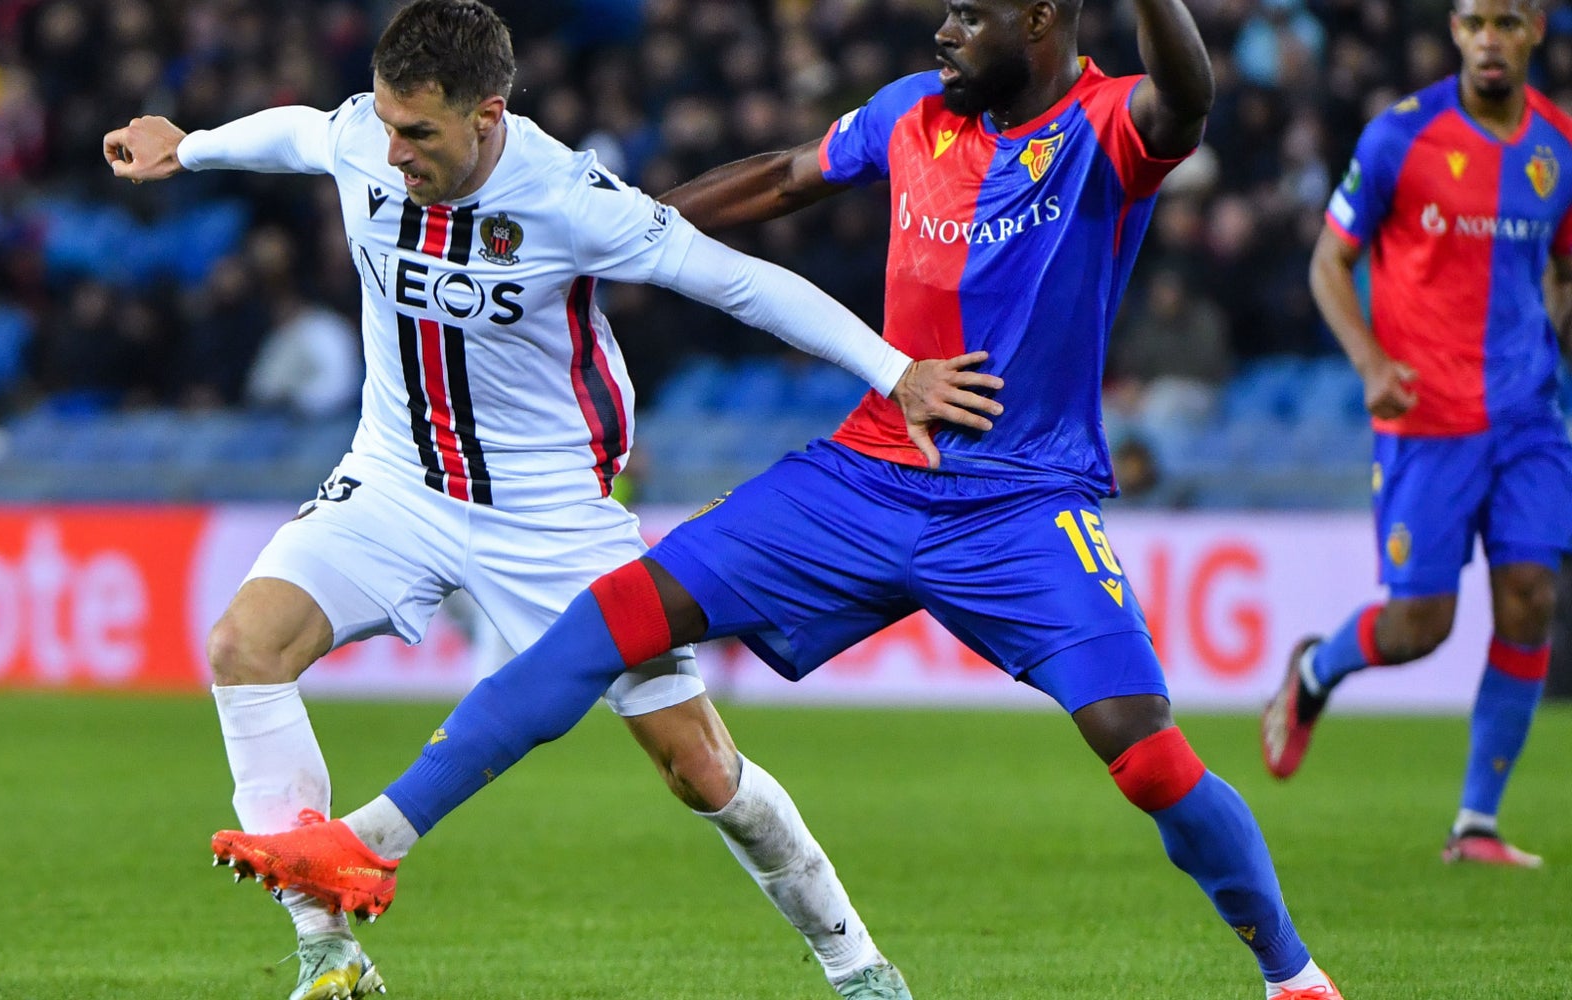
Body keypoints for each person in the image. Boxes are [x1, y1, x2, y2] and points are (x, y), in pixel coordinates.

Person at [209, 1, 1347, 997]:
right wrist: (629, 228)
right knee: (617, 615)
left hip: (1019, 499)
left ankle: (1290, 974)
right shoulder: (913, 111)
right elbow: (785, 177)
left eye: (967, 15)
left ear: (1043, 18)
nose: (941, 33)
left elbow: (1187, 96)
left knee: (1143, 755)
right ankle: (370, 842)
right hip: (862, 471)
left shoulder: (1106, 128)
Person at [102, 2, 987, 997]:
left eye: (419, 134)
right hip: (395, 481)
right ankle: (332, 958)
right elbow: (303, 130)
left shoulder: (570, 198)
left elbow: (740, 284)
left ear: (487, 115)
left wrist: (891, 369)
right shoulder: (365, 137)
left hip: (550, 515)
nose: (392, 153)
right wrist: (193, 148)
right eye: (387, 126)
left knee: (697, 767)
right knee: (242, 647)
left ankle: (856, 966)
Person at [1262, 0, 1571, 869]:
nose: (1489, 40)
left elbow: (1565, 275)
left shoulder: (1560, 147)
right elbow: (1329, 262)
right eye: (1474, 22)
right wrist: (1367, 363)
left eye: (1508, 22)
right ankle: (1318, 670)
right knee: (1419, 626)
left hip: (1527, 418)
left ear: (1536, 30)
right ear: (1455, 31)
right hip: (1425, 419)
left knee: (1530, 597)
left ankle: (1476, 822)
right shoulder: (1399, 136)